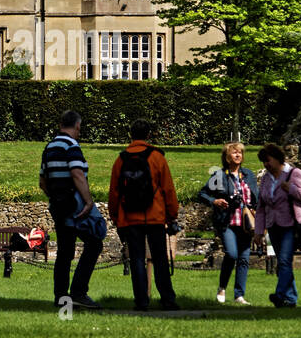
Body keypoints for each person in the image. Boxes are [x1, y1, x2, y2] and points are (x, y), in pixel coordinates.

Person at [108, 119, 181, 311]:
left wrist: (115, 216)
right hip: (154, 215)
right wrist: (172, 214)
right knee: (160, 259)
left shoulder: (121, 159)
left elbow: (114, 191)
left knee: (137, 260)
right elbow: (168, 189)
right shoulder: (157, 157)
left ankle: (141, 300)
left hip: (130, 216)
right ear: (149, 135)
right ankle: (167, 299)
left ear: (131, 135)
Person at [39, 110, 101, 309]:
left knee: (65, 252)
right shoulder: (71, 145)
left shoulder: (49, 147)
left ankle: (61, 297)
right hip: (75, 207)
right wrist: (88, 201)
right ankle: (79, 292)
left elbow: (42, 182)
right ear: (77, 126)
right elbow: (77, 174)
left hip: (58, 206)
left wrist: (55, 198)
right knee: (94, 243)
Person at [197, 142, 259, 305]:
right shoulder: (219, 176)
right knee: (232, 254)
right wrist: (214, 201)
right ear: (226, 157)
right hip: (227, 222)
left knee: (244, 258)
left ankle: (239, 295)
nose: (238, 155)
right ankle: (222, 287)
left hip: (246, 222)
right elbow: (202, 194)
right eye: (234, 153)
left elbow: (256, 198)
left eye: (240, 152)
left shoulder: (248, 175)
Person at [254, 142, 301, 308]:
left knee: (285, 262)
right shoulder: (266, 178)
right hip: (273, 226)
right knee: (283, 262)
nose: (266, 164)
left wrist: (292, 189)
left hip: (290, 225)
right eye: (263, 162)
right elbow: (261, 207)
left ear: (278, 158)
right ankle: (291, 299)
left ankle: (280, 295)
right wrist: (258, 231)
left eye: (268, 160)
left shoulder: (294, 173)